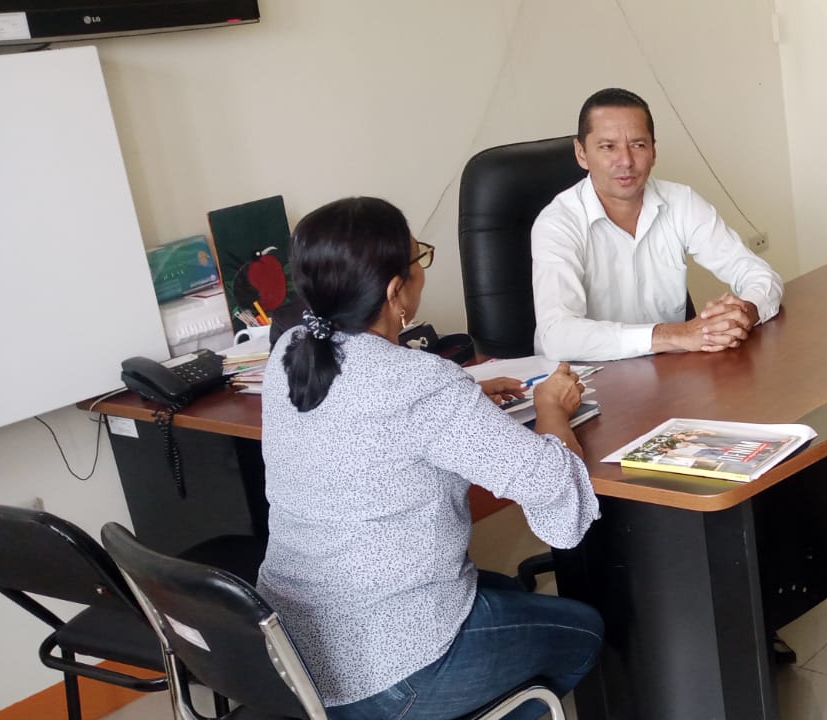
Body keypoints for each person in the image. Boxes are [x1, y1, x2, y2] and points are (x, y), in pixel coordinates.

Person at [258, 197, 603, 719]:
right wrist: (552, 408)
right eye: (418, 257)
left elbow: (366, 412)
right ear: (396, 291)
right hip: (391, 672)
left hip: (295, 657)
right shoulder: (418, 382)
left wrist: (464, 398)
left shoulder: (289, 350)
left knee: (504, 590)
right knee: (584, 632)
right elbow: (549, 480)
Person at [532, 87, 785, 362]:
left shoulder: (681, 202)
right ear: (581, 153)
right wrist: (674, 334)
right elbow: (556, 335)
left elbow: (759, 274)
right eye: (608, 147)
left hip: (667, 371)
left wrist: (744, 311)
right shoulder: (558, 223)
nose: (626, 161)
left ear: (653, 151)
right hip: (588, 379)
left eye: (638, 145)